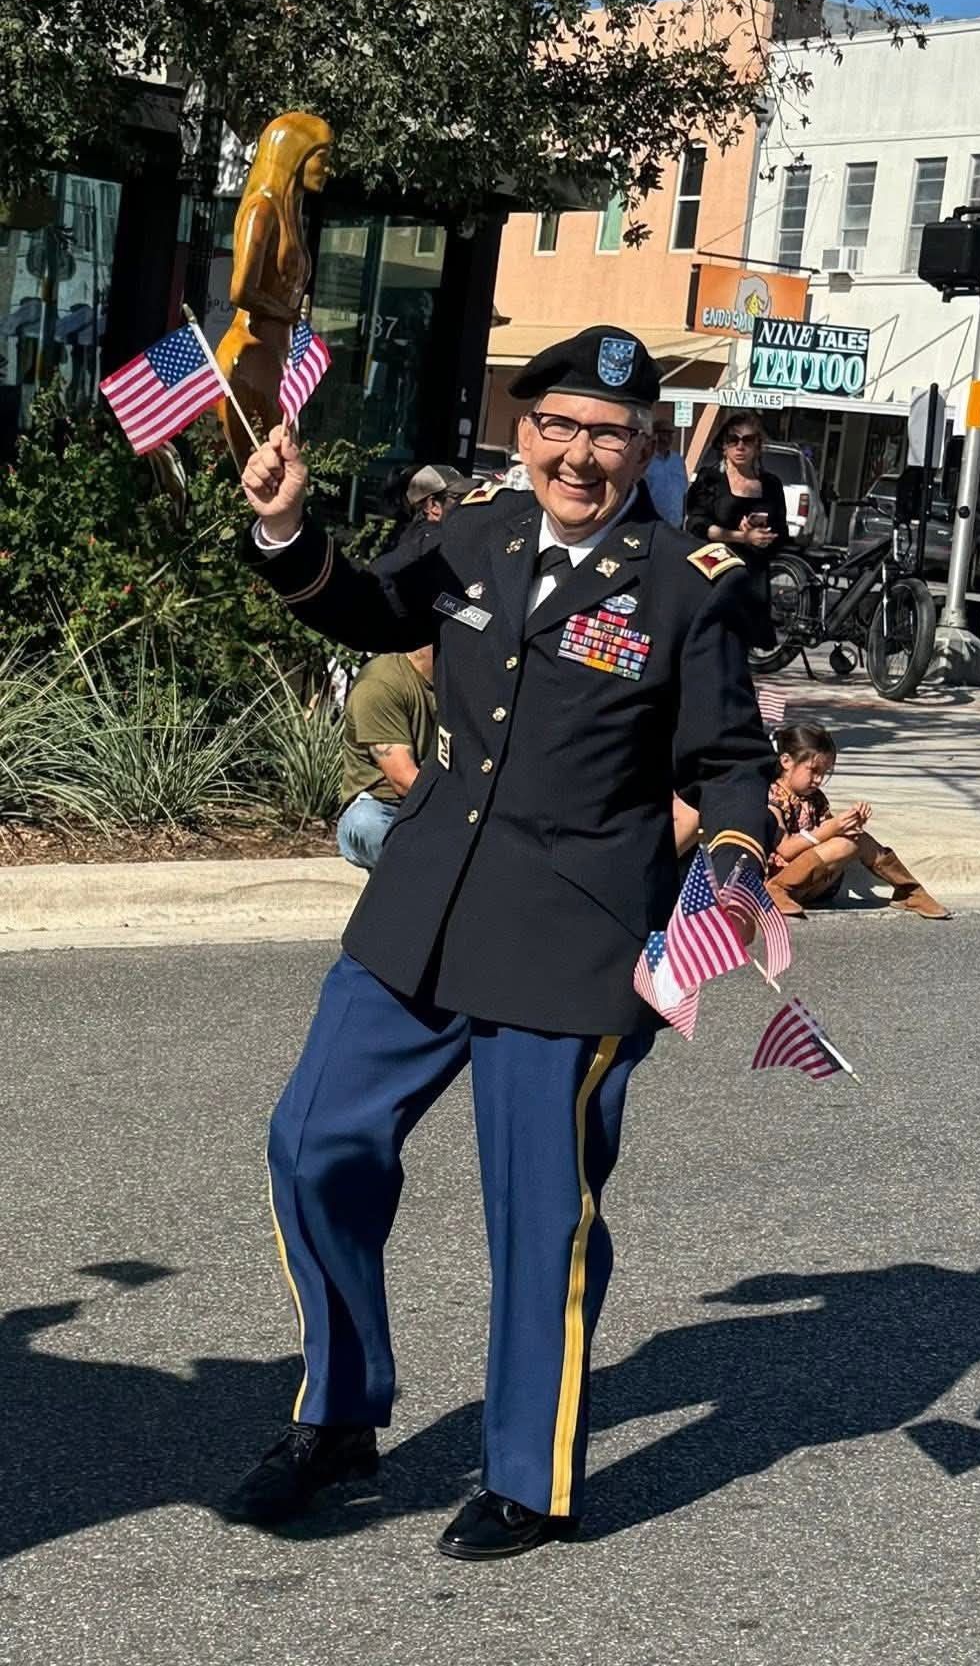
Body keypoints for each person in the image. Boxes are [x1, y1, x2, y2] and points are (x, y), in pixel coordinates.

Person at [228, 323, 776, 1560]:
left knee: (541, 1214)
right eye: (560, 427)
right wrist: (284, 530)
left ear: (645, 447)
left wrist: (734, 855)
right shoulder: (475, 527)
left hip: (571, 936)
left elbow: (731, 757)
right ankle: (342, 1411)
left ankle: (527, 1474)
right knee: (314, 1142)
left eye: (610, 434)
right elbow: (367, 605)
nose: (580, 455)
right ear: (524, 430)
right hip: (420, 907)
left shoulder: (690, 581)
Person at [765, 723, 948, 919]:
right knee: (844, 844)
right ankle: (776, 889)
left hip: (816, 883)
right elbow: (785, 849)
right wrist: (833, 828)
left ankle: (909, 891)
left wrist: (851, 823)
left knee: (856, 838)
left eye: (824, 772)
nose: (818, 779)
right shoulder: (773, 797)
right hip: (784, 876)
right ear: (786, 762)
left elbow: (828, 836)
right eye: (813, 770)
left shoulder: (814, 798)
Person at [684, 417, 788, 655]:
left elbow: (782, 533)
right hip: (714, 574)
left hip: (751, 578)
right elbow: (696, 525)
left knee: (741, 652)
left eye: (748, 440)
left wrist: (763, 532)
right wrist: (740, 537)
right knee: (711, 644)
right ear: (724, 445)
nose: (740, 447)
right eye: (733, 440)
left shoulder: (770, 484)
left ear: (758, 446)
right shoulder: (710, 479)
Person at [335, 645, 437, 870]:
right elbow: (403, 780)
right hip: (384, 806)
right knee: (366, 825)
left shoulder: (466, 683)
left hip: (443, 805)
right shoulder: (379, 685)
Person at [644, 418, 689, 526]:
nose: (668, 437)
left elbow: (683, 491)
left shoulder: (677, 460)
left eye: (671, 434)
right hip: (651, 523)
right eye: (664, 433)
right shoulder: (646, 459)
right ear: (654, 435)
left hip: (675, 523)